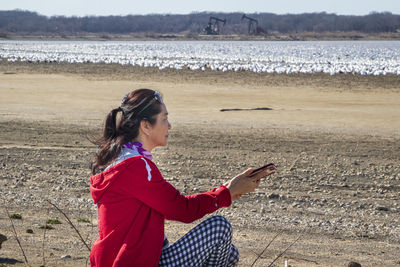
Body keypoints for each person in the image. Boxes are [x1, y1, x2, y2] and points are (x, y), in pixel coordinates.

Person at [89, 89, 276, 267]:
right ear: (146, 126)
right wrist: (225, 193)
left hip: (135, 257)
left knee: (230, 253)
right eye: (164, 119)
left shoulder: (122, 158)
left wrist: (227, 192)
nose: (169, 126)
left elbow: (168, 206)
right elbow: (182, 209)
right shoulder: (135, 166)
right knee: (220, 228)